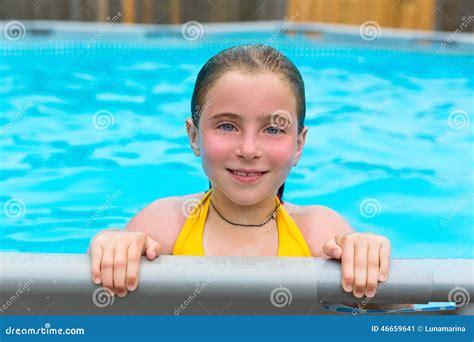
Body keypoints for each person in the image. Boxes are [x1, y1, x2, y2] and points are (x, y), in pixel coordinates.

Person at [89, 44, 391, 302]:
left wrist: (370, 261)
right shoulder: (164, 227)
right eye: (227, 126)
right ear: (194, 137)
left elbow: (397, 320)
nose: (248, 149)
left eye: (273, 129)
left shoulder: (320, 235)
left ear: (299, 144)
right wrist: (112, 251)